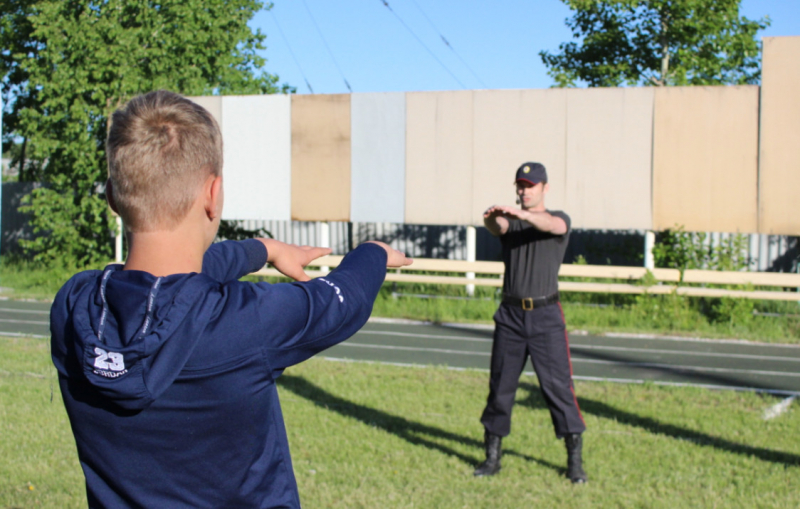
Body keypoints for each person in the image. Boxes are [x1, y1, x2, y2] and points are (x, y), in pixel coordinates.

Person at [50, 90, 412, 508]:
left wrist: (263, 249)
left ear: (113, 196)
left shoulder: (73, 306)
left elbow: (182, 277)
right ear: (213, 194)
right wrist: (374, 253)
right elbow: (343, 300)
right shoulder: (245, 323)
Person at [474, 162, 587, 483]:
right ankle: (492, 459)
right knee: (500, 390)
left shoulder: (557, 219)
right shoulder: (513, 224)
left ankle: (574, 463)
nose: (525, 191)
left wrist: (523, 215)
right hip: (510, 317)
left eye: (531, 185)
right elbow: (497, 226)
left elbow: (552, 225)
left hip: (546, 318)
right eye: (521, 185)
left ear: (544, 188)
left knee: (559, 391)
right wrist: (492, 216)